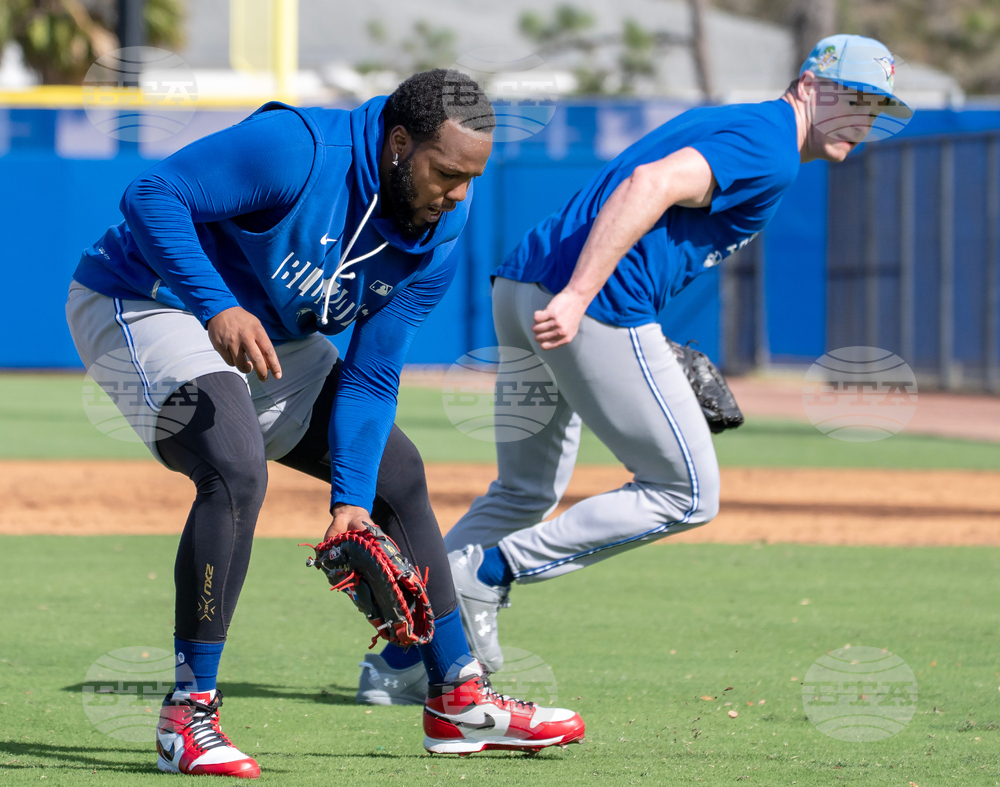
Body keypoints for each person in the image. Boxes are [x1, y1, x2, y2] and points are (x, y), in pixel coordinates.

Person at [66, 69, 584, 778]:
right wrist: (217, 305)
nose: (459, 193)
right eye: (446, 172)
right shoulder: (299, 149)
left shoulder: (439, 229)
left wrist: (350, 503)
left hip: (267, 333)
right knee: (233, 466)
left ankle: (457, 695)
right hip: (144, 299)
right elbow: (151, 195)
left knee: (395, 476)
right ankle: (187, 717)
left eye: (471, 177)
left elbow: (372, 377)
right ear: (399, 144)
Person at [368, 34, 912, 693]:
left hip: (520, 288)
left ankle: (402, 660)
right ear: (811, 84)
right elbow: (649, 184)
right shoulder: (771, 143)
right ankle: (487, 576)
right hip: (584, 302)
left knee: (523, 491)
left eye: (878, 107)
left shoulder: (737, 123)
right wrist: (577, 297)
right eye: (857, 98)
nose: (867, 118)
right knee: (687, 491)